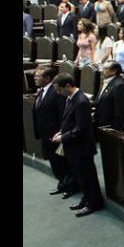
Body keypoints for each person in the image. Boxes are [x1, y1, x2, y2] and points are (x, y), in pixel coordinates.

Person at [52, 73, 104, 217]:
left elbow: (80, 128)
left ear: (68, 86)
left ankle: (94, 202)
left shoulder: (81, 101)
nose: (57, 93)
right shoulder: (70, 98)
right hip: (73, 147)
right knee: (80, 176)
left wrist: (63, 138)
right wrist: (61, 131)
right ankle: (86, 198)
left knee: (88, 177)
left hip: (81, 147)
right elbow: (69, 120)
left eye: (59, 89)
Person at [33, 66, 76, 197]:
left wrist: (61, 132)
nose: (34, 78)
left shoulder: (57, 92)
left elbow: (63, 114)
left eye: (37, 76)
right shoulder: (41, 91)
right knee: (54, 162)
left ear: (47, 78)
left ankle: (70, 187)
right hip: (45, 135)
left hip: (55, 135)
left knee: (63, 163)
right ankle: (62, 183)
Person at [92, 61, 124, 131]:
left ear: (114, 71)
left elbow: (119, 111)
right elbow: (99, 101)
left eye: (106, 69)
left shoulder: (119, 85)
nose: (102, 70)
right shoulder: (107, 81)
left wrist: (114, 129)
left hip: (110, 126)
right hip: (101, 122)